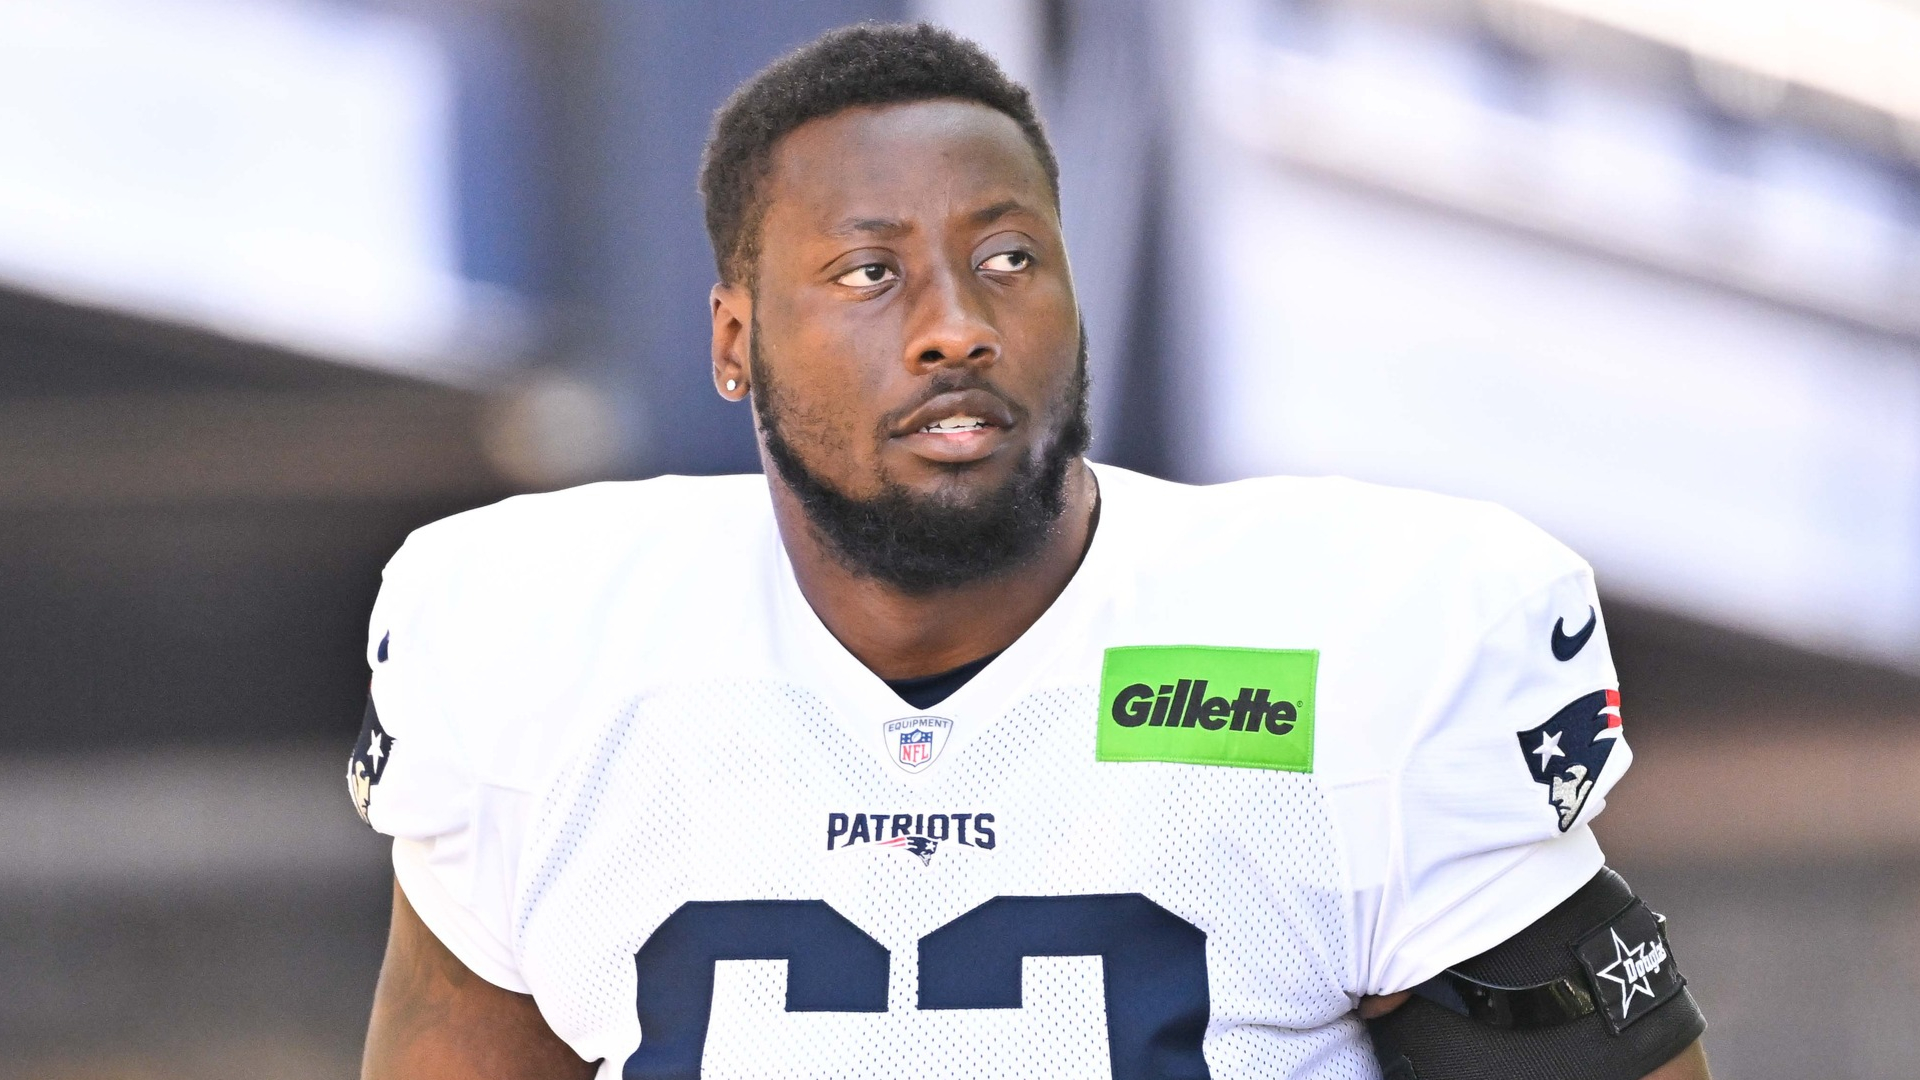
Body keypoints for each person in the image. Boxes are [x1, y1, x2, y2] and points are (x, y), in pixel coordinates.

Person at [350, 22, 1709, 1080]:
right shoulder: (538, 644)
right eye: (870, 272)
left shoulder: (1359, 644)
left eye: (1007, 258)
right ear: (735, 341)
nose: (956, 325)